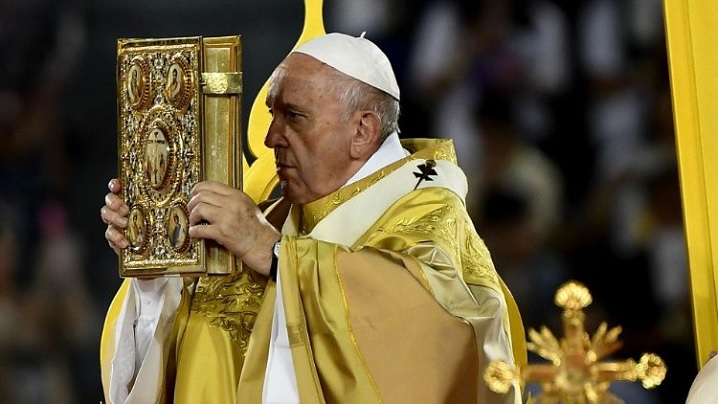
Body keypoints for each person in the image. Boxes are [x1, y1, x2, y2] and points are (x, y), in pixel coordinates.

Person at [100, 32, 524, 404]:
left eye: (294, 117)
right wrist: (156, 269)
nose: (271, 139)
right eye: (272, 114)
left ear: (363, 131)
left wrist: (277, 256)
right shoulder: (269, 216)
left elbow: (438, 334)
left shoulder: (427, 213)